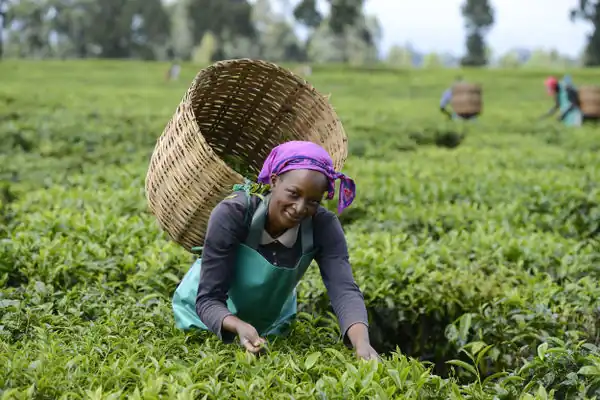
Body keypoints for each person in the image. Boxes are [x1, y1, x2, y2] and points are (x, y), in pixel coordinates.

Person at [172, 141, 380, 361]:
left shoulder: (323, 226)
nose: (300, 208)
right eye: (293, 193)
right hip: (203, 317)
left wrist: (362, 344)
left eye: (312, 201)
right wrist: (238, 326)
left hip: (270, 324)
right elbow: (208, 299)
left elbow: (344, 289)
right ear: (273, 181)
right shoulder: (234, 213)